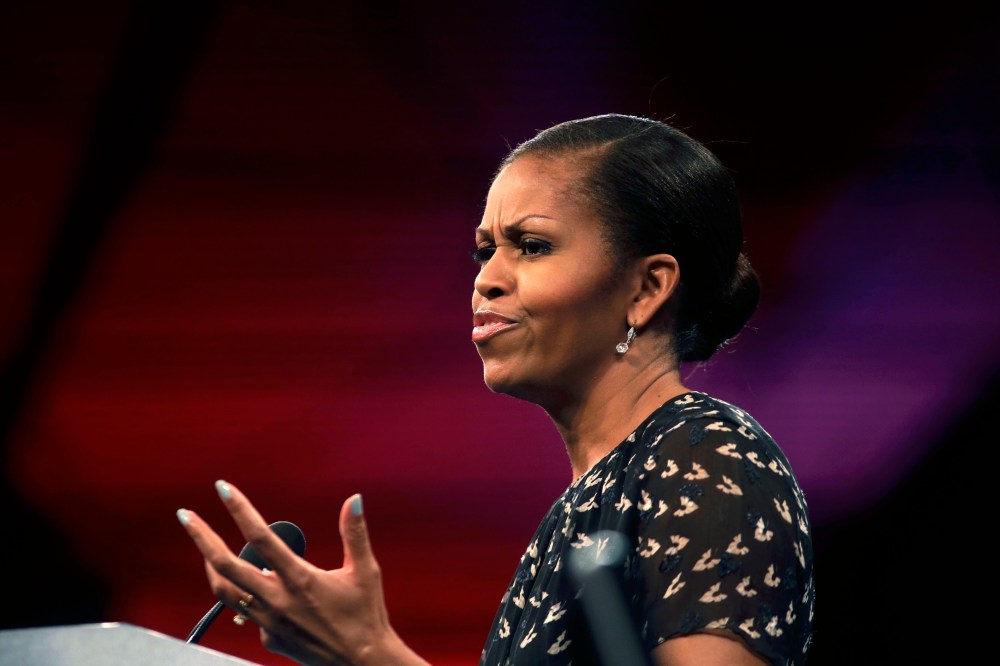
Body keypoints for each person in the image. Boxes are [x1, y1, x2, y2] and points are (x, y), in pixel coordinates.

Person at [176, 113, 815, 665]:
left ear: (646, 289)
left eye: (532, 246)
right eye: (486, 250)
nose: (486, 279)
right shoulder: (579, 509)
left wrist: (370, 654)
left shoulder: (705, 457)